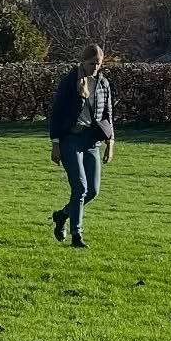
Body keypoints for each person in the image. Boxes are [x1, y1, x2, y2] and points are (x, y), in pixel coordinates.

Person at [47, 43, 114, 249]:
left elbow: (108, 114)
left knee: (93, 191)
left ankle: (62, 215)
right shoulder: (69, 82)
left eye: (98, 64)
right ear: (83, 62)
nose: (95, 67)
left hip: (91, 140)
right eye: (91, 63)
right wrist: (56, 144)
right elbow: (56, 113)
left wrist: (110, 143)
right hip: (70, 140)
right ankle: (77, 235)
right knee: (80, 188)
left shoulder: (103, 83)